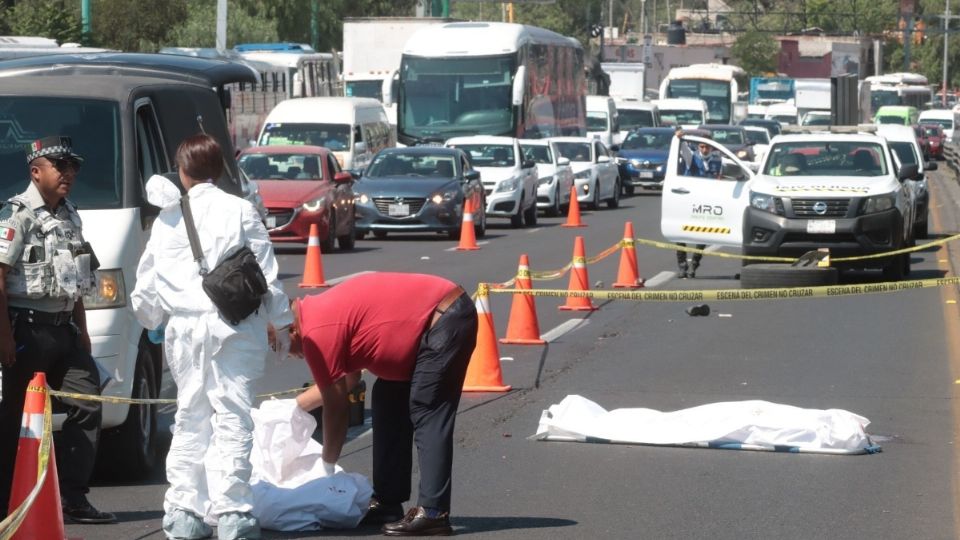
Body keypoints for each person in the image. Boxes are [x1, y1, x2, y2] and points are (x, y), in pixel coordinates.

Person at [130, 134, 292, 540]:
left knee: (189, 415)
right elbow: (266, 273)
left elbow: (146, 290)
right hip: (236, 326)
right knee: (233, 417)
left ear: (182, 172)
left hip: (185, 330)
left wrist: (152, 321)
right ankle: (234, 513)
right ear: (220, 169)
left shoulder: (167, 219)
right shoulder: (240, 210)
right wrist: (283, 324)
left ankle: (184, 511)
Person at [285, 272, 477, 536]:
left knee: (427, 408)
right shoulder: (313, 317)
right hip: (428, 324)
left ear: (291, 328)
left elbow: (336, 407)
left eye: (278, 344)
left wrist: (326, 469)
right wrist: (290, 408)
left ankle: (434, 512)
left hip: (444, 317)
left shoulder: (315, 332)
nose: (285, 354)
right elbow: (348, 379)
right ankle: (388, 502)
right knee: (387, 397)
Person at [0, 136, 116, 524]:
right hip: (26, 329)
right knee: (16, 417)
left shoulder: (71, 215)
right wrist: (4, 337)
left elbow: (77, 276)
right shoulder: (17, 214)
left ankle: (73, 498)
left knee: (87, 402)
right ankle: (8, 503)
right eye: (60, 166)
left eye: (73, 167)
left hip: (65, 328)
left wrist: (82, 329)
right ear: (36, 172)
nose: (69, 174)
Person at [676, 139, 721, 278]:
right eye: (702, 146)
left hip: (706, 203)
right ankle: (682, 265)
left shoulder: (718, 161)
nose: (704, 149)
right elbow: (684, 150)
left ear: (712, 148)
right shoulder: (692, 158)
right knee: (680, 232)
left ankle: (694, 264)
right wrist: (680, 137)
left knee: (703, 235)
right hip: (689, 200)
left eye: (707, 147)